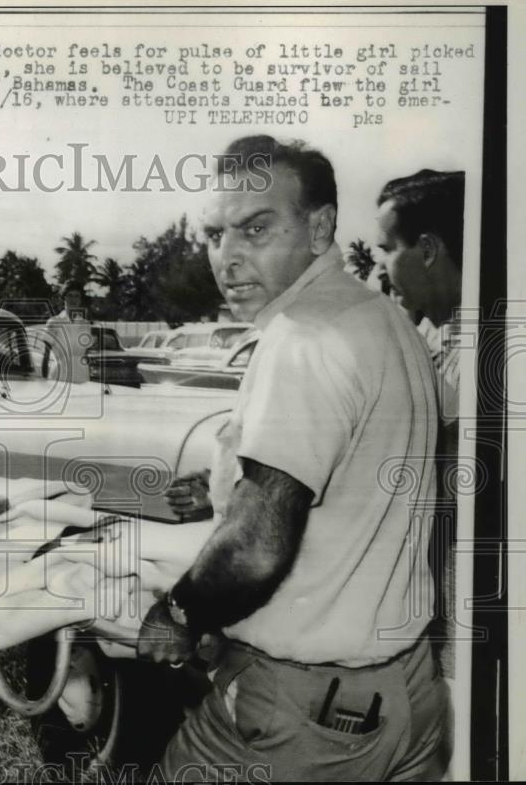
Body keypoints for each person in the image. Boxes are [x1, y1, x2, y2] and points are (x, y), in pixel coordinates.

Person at [138, 135, 450, 781]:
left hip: (310, 717)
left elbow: (255, 547)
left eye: (256, 229)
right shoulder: (387, 321)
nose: (227, 257)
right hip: (411, 697)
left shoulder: (301, 337)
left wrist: (177, 614)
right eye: (214, 235)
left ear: (319, 228)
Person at [376, 170, 465, 680]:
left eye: (388, 249)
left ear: (427, 249)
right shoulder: (444, 336)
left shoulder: (481, 347)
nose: (385, 268)